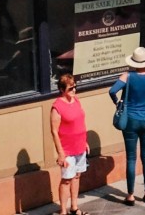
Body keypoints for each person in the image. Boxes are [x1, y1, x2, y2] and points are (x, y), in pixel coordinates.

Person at [109, 47, 145, 205]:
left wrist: (117, 103)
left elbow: (112, 91)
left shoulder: (126, 77)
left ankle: (130, 195)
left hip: (130, 120)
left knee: (131, 158)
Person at [49, 73, 87, 215]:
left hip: (80, 146)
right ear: (62, 89)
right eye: (71, 88)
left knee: (77, 176)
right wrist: (61, 153)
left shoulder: (76, 101)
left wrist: (85, 141)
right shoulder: (57, 107)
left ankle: (74, 207)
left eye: (75, 87)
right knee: (66, 180)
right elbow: (54, 131)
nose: (74, 90)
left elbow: (80, 122)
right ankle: (63, 211)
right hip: (67, 150)